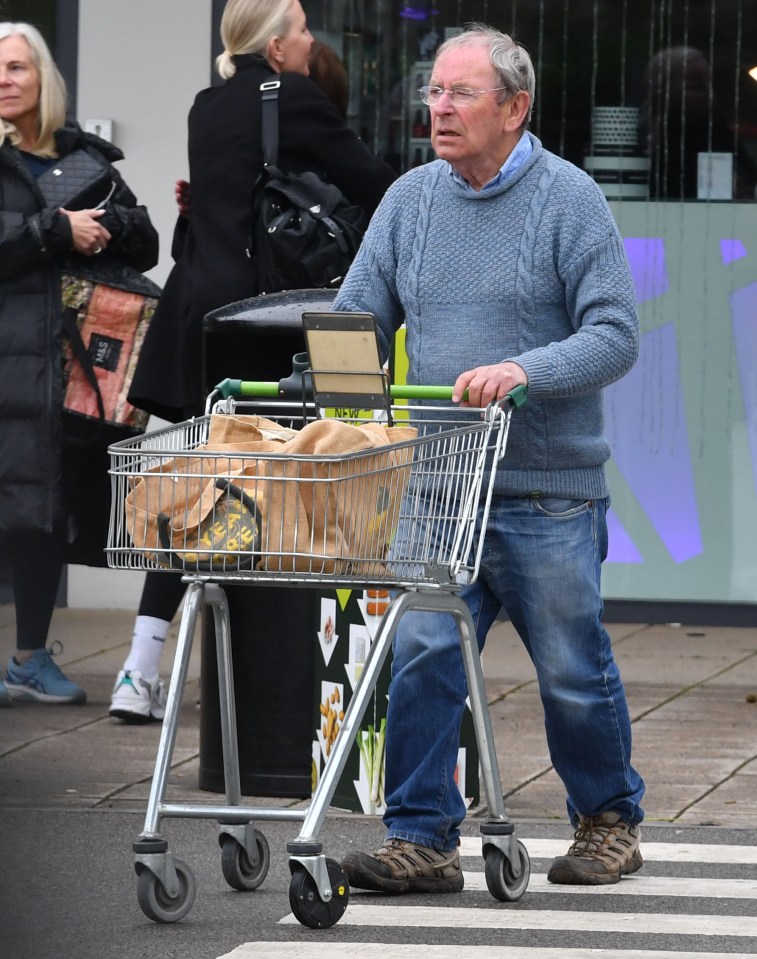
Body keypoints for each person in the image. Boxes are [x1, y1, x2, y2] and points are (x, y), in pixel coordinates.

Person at [333, 23, 645, 890]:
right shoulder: (408, 201)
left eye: (460, 93)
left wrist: (524, 370)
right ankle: (422, 837)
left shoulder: (569, 198)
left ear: (515, 107)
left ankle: (608, 820)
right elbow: (359, 321)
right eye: (433, 91)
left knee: (571, 668)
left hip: (546, 488)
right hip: (439, 483)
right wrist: (324, 391)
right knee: (424, 654)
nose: (438, 108)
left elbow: (615, 336)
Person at [109, 0, 396, 722]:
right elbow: (375, 185)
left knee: (204, 481)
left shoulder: (206, 106)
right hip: (266, 322)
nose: (310, 40)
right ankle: (289, 671)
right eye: (300, 28)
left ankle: (141, 666)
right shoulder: (290, 95)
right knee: (285, 482)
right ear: (274, 48)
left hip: (200, 315)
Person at [0, 22, 158, 707]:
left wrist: (109, 226)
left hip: (60, 374)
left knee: (43, 513)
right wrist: (56, 230)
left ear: (45, 82)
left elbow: (146, 243)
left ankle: (29, 658)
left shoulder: (85, 162)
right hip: (6, 361)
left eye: (15, 68)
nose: (4, 79)